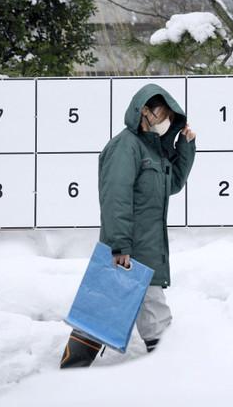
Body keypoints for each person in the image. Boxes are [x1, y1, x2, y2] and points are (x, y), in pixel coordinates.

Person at [60, 83, 197, 368]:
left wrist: (184, 146)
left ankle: (71, 374)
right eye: (163, 114)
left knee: (100, 315)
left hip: (145, 249)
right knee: (152, 320)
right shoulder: (126, 146)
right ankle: (173, 375)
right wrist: (119, 244)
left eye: (171, 117)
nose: (166, 121)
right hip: (130, 251)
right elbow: (115, 198)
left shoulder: (153, 151)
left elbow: (171, 184)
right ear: (144, 110)